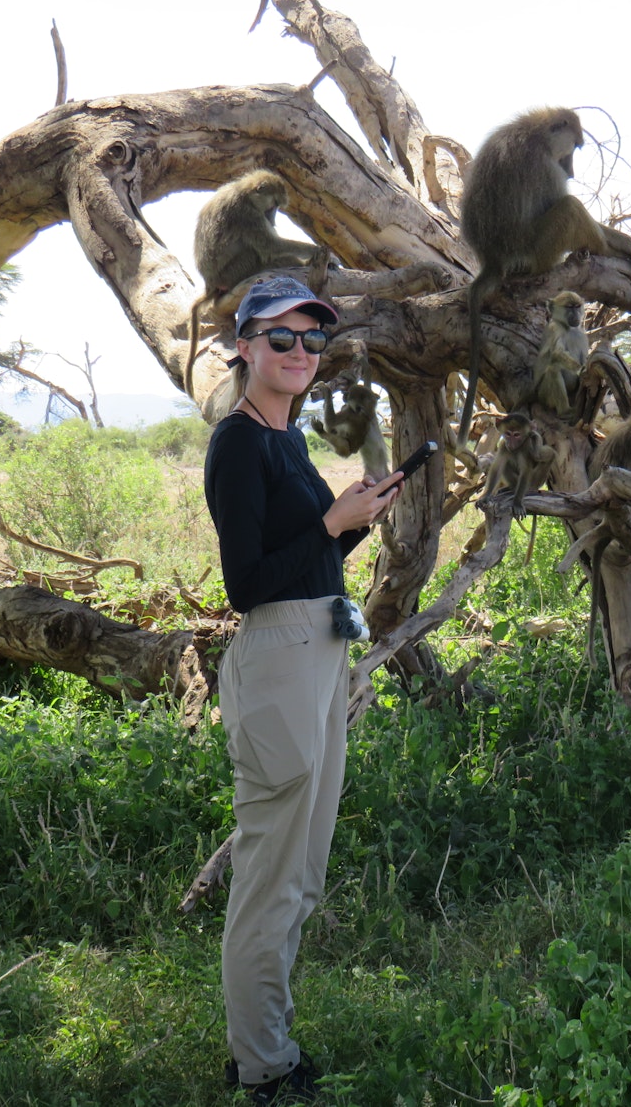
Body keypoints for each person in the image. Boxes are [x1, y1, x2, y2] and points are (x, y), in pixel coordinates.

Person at [203, 275, 401, 1104]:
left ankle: (270, 1046)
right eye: (280, 338)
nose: (299, 353)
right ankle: (262, 1067)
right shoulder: (240, 442)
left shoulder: (285, 440)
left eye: (312, 339)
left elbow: (309, 562)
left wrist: (346, 525)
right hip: (280, 655)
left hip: (319, 645)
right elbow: (247, 586)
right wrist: (329, 524)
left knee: (302, 867)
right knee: (272, 871)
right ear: (245, 346)